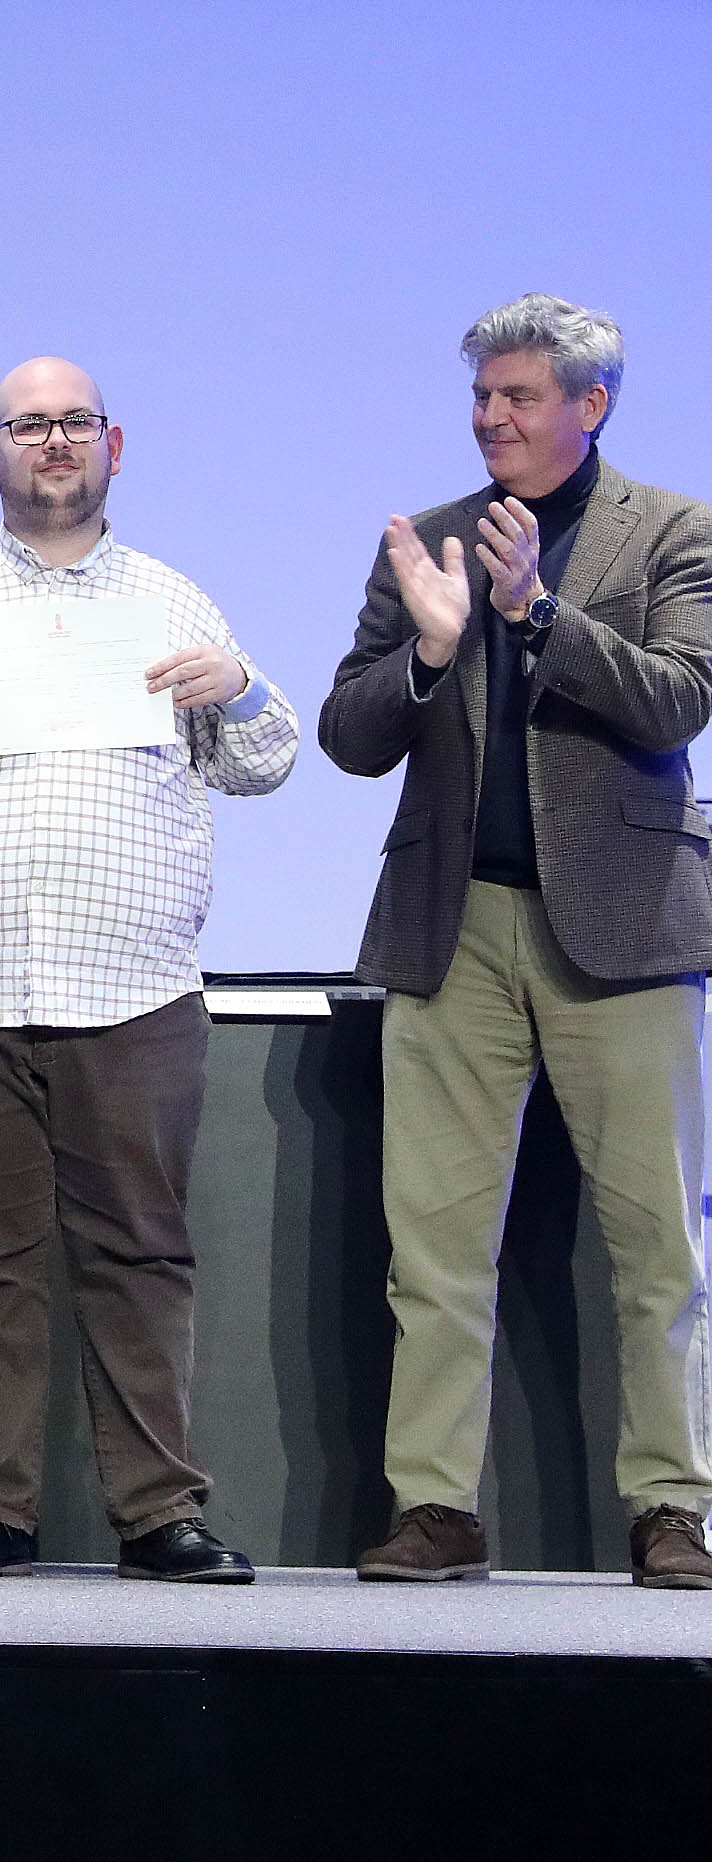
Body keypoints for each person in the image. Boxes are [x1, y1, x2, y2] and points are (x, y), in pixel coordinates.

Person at [0, 357, 296, 1583]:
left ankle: (160, 1512)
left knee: (141, 1252)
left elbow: (265, 762)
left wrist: (239, 688)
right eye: (28, 427)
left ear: (114, 446)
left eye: (74, 423)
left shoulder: (172, 599)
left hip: (132, 981)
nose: (54, 442)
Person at [317, 295, 712, 1589]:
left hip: (624, 925)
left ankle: (674, 1509)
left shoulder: (674, 531)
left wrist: (540, 615)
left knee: (659, 1244)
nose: (491, 417)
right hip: (454, 924)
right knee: (433, 1247)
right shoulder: (426, 543)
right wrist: (430, 653)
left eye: (519, 396)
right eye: (482, 396)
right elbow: (352, 733)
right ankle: (437, 1509)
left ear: (590, 406)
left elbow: (680, 699)